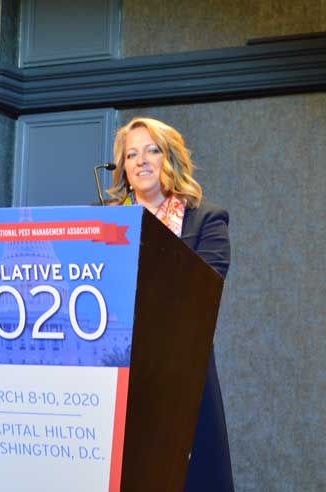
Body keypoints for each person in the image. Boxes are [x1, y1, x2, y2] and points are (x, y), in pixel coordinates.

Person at [107, 116, 234, 492]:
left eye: (152, 150)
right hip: (117, 373)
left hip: (180, 372)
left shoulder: (206, 219)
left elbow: (204, 292)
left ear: (171, 159)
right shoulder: (103, 221)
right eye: (131, 154)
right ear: (123, 167)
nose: (141, 161)